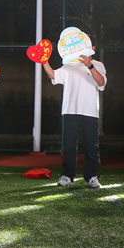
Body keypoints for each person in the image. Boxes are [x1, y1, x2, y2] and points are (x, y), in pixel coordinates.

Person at [43, 47, 106, 188]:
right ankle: (67, 176)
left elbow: (101, 82)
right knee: (69, 145)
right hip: (70, 110)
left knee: (91, 146)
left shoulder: (98, 65)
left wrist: (89, 65)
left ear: (93, 48)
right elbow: (53, 75)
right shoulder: (69, 65)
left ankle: (92, 177)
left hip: (90, 112)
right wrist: (44, 61)